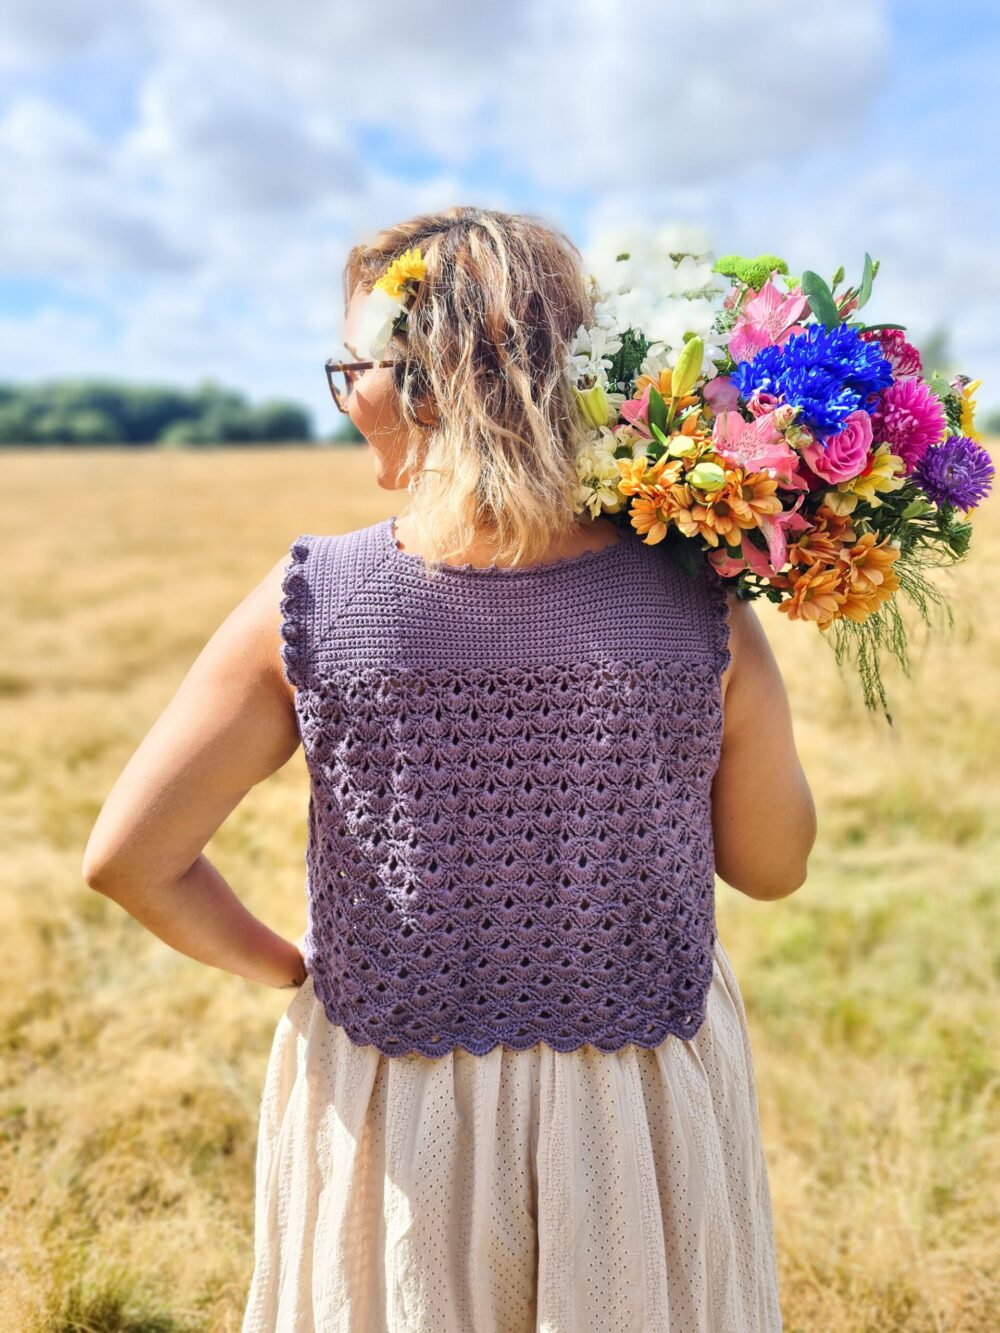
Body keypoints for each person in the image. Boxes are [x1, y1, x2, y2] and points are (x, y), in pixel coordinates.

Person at [83, 205, 816, 1331]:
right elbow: (770, 867)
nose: (344, 398)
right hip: (634, 1102)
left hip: (397, 1095)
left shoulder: (310, 602)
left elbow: (131, 858)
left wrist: (303, 974)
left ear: (424, 380)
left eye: (350, 369)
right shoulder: (699, 598)